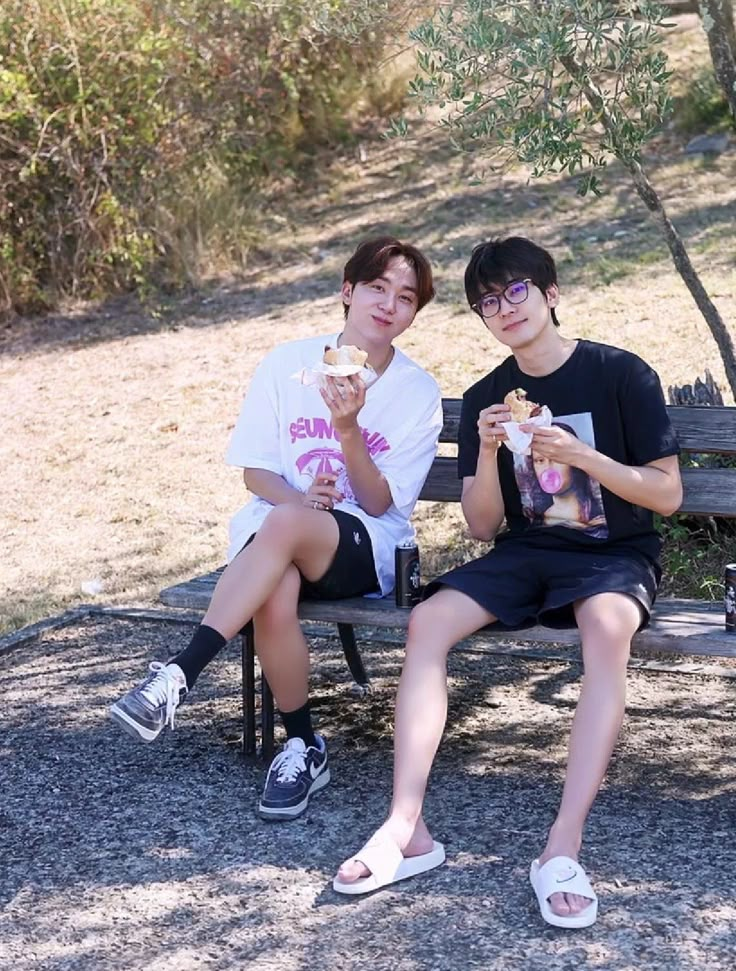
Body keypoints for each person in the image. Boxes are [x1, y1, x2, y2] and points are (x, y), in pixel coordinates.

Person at [334, 236, 682, 929]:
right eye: (488, 302)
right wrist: (490, 449)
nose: (504, 309)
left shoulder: (621, 374)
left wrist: (585, 455)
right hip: (525, 554)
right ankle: (408, 826)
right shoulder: (493, 395)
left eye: (516, 291)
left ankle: (561, 847)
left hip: (613, 551)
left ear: (550, 294)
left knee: (606, 628)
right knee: (426, 622)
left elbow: (666, 494)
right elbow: (481, 525)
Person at [110, 236, 443, 821]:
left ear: (414, 313)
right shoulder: (286, 363)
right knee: (277, 588)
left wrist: (348, 430)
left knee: (286, 530)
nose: (388, 304)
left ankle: (180, 673)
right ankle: (302, 745)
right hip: (278, 536)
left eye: (405, 296)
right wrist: (298, 501)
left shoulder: (417, 392)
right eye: (376, 287)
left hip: (365, 547)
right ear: (348, 291)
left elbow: (378, 500)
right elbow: (255, 471)